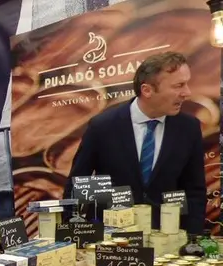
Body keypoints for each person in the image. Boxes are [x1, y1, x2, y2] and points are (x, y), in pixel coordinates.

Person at [64, 52, 205, 233]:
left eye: (186, 84)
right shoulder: (103, 126)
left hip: (166, 238)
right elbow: (77, 182)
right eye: (179, 85)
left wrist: (193, 239)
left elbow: (194, 190)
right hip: (113, 239)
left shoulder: (189, 128)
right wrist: (71, 232)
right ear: (147, 90)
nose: (187, 93)